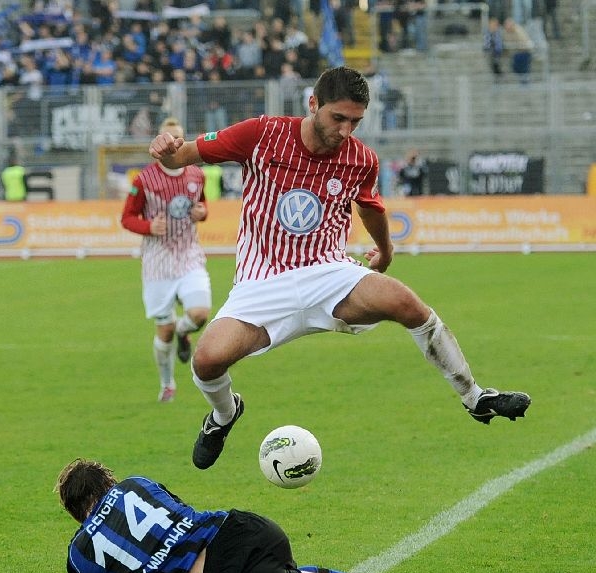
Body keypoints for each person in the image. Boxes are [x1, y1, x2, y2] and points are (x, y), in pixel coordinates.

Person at [147, 66, 530, 470]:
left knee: (406, 303)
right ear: (313, 104)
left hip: (329, 273)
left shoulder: (361, 159)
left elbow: (371, 207)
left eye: (356, 121)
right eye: (338, 118)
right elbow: (181, 156)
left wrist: (385, 250)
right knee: (206, 361)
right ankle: (224, 416)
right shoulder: (261, 134)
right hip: (262, 282)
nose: (346, 130)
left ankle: (475, 397)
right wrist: (166, 147)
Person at [57, 458, 500, 573]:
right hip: (244, 528)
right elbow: (176, 513)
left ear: (76, 513)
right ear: (108, 481)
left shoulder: (80, 555)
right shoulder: (136, 484)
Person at [121, 117, 213, 403]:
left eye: (179, 139)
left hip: (189, 254)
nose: (174, 144)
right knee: (164, 330)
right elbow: (126, 218)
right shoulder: (144, 179)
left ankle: (185, 333)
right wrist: (148, 227)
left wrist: (203, 213)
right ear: (158, 142)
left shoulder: (197, 175)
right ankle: (167, 384)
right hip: (158, 260)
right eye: (169, 139)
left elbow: (202, 204)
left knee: (199, 313)